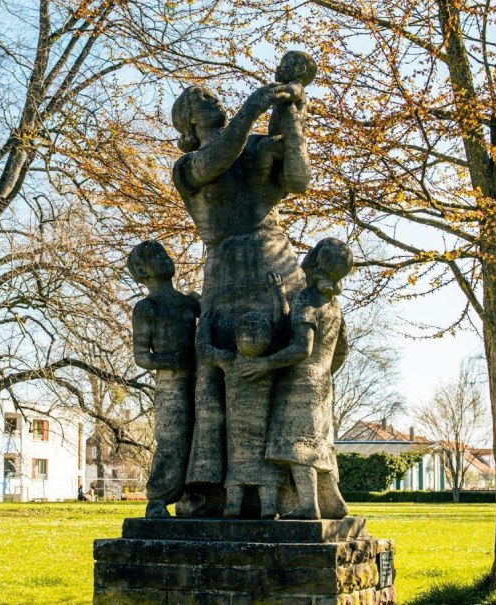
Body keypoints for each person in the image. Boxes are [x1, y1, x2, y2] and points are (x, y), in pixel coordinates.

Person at [169, 56, 312, 515]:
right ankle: (214, 491)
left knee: (286, 369)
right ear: (189, 125)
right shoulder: (189, 165)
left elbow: (298, 179)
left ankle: (290, 489)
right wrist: (253, 108)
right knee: (219, 380)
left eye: (212, 95)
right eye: (200, 101)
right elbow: (220, 157)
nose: (212, 99)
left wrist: (291, 115)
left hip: (275, 266)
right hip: (226, 272)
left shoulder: (252, 148)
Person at [238, 238, 354, 519]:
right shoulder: (333, 304)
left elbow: (302, 347)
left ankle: (308, 505)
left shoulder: (307, 298)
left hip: (300, 380)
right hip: (323, 382)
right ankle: (333, 501)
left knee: (297, 445)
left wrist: (266, 364)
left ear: (313, 262)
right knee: (318, 443)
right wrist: (324, 372)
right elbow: (342, 350)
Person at [128, 240, 201, 518]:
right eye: (154, 256)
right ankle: (158, 498)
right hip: (171, 386)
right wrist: (173, 361)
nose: (164, 258)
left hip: (199, 380)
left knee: (199, 436)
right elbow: (142, 356)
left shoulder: (189, 302)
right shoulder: (147, 308)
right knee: (172, 439)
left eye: (163, 252)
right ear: (141, 272)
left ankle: (196, 496)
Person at [200, 309, 285, 518]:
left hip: (246, 438)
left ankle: (245, 506)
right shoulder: (264, 364)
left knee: (247, 471)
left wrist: (204, 326)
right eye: (249, 331)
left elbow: (205, 349)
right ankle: (254, 507)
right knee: (251, 472)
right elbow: (282, 329)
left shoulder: (234, 361)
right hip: (245, 438)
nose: (254, 336)